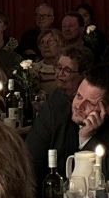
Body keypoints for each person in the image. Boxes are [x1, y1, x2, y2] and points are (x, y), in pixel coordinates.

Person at [54, 66, 109, 188]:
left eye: (90, 103)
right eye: (79, 96)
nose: (79, 105)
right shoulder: (58, 111)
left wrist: (87, 139)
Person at [28, 46, 94, 186]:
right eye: (58, 68)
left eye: (67, 70)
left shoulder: (92, 105)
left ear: (84, 74)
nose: (60, 74)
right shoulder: (54, 101)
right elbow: (34, 153)